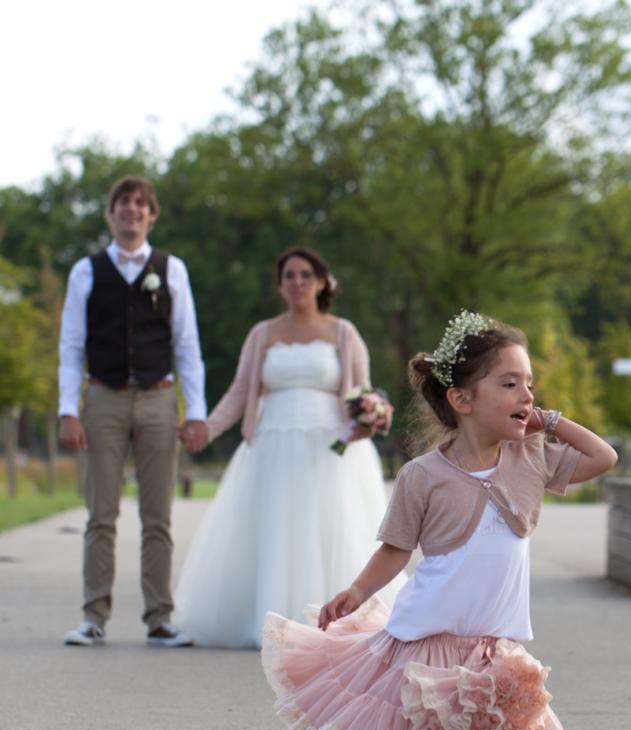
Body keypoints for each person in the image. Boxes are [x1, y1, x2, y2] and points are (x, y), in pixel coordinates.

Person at [261, 310, 618, 730]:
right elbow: (395, 550)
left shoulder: (531, 457)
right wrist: (355, 592)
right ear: (462, 398)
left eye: (529, 384)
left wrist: (551, 422)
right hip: (424, 635)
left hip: (487, 645)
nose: (526, 394)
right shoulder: (423, 476)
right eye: (510, 383)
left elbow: (602, 458)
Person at [173, 246, 403, 648]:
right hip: (272, 446)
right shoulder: (263, 334)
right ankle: (272, 617)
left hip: (331, 449)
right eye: (289, 276)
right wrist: (206, 430)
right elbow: (240, 391)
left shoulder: (344, 332)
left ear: (320, 282)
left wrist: (373, 414)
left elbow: (362, 392)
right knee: (277, 529)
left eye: (304, 275)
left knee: (333, 527)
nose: (297, 282)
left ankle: (340, 619)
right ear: (280, 286)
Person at [58, 175, 208, 647]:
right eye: (124, 203)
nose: (132, 210)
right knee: (100, 513)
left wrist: (196, 409)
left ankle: (159, 618)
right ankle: (93, 616)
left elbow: (187, 345)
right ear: (111, 213)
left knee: (157, 516)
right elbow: (71, 346)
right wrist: (68, 409)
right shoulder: (86, 270)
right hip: (102, 398)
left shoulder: (171, 269)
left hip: (159, 399)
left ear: (152, 214)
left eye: (141, 204)